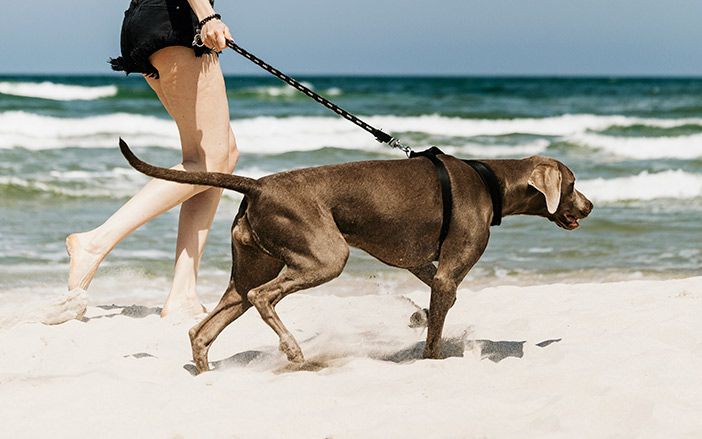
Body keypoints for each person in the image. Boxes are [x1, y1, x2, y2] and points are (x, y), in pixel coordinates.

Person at [65, 0, 237, 318]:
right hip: (176, 26)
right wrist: (207, 15)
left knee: (219, 157)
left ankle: (184, 293)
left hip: (153, 24)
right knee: (210, 162)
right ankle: (94, 242)